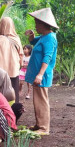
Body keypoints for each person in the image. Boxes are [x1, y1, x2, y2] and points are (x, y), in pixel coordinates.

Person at [24, 8, 58, 136]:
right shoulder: (44, 36)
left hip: (42, 75)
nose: (36, 26)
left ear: (44, 25)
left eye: (37, 23)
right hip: (39, 75)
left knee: (42, 100)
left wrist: (40, 74)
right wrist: (32, 35)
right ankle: (39, 124)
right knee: (37, 100)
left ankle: (44, 128)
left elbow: (47, 57)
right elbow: (33, 41)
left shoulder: (50, 38)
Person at [0, 17, 23, 102]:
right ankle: (14, 112)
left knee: (0, 94)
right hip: (13, 72)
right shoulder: (16, 39)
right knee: (14, 93)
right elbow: (21, 57)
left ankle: (2, 113)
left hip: (0, 75)